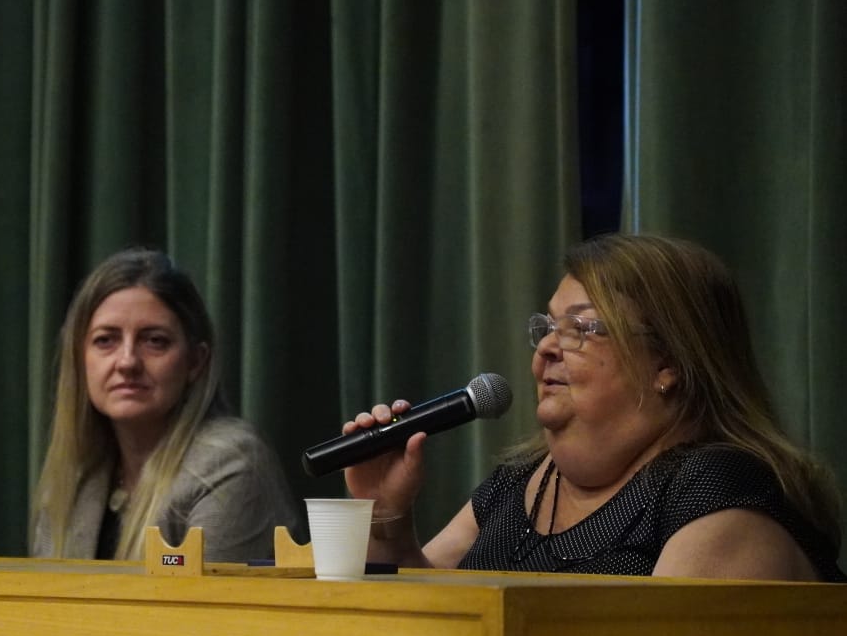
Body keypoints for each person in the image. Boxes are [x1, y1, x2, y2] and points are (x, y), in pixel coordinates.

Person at [342, 233, 844, 581]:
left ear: (667, 361)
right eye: (548, 327)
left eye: (581, 329)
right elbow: (423, 615)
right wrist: (386, 514)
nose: (546, 349)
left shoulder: (715, 489)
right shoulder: (520, 483)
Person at [31, 247, 301, 562]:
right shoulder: (74, 480)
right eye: (106, 340)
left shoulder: (228, 466)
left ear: (195, 362)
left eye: (154, 340)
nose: (127, 361)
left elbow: (206, 610)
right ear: (79, 360)